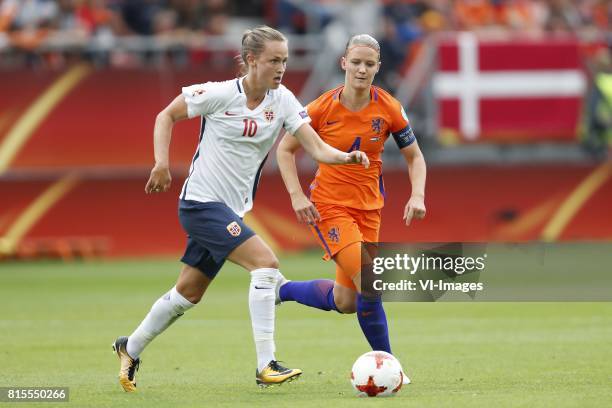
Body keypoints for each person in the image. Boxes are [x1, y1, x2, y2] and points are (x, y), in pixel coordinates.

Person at [112, 25, 369, 392]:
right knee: (266, 264)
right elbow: (165, 116)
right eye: (274, 60)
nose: (281, 68)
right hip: (200, 204)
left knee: (188, 293)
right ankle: (266, 364)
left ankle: (129, 347)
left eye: (285, 60)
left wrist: (347, 157)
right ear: (251, 60)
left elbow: (315, 147)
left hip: (231, 212)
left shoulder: (282, 100)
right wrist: (161, 164)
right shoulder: (218, 94)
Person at [275, 34, 426, 383]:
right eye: (355, 62)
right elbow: (285, 150)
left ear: (378, 68)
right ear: (344, 62)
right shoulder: (319, 108)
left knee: (346, 301)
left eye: (369, 64)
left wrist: (417, 195)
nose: (361, 69)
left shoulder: (388, 108)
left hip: (369, 210)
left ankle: (280, 290)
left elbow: (415, 157)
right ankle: (391, 368)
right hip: (330, 206)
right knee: (371, 284)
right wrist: (298, 196)